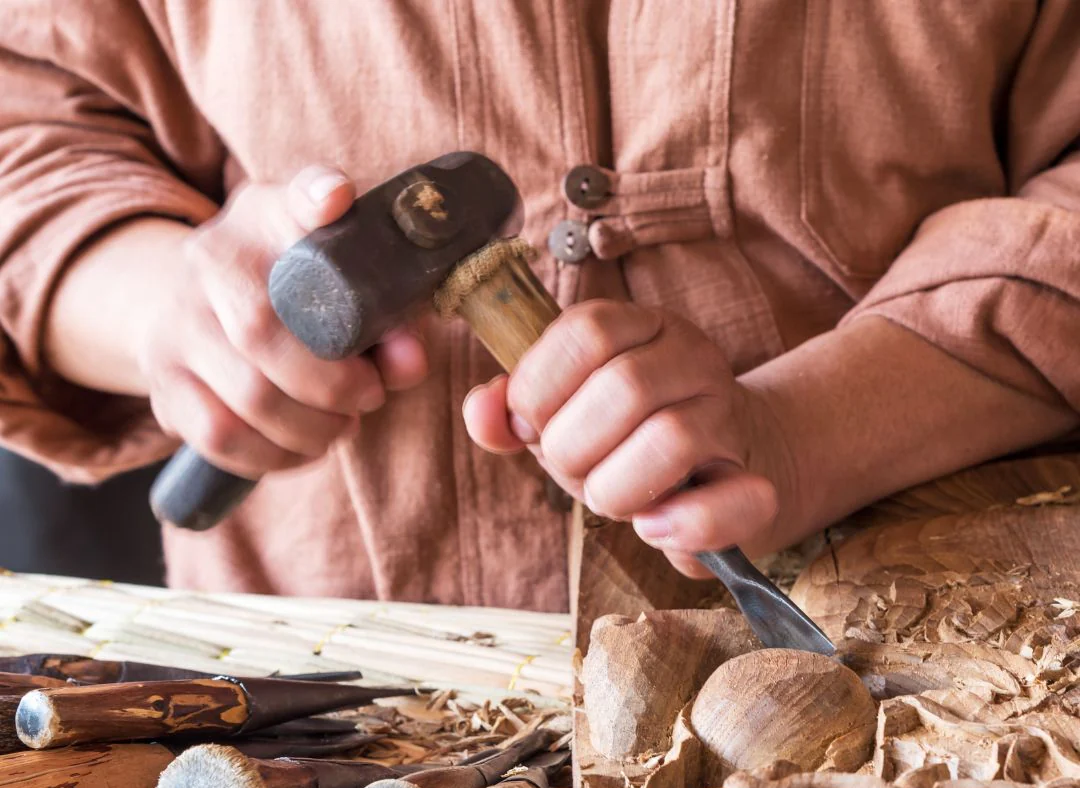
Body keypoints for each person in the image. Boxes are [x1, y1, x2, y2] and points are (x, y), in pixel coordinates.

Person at [0, 2, 1076, 613]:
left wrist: (807, 433)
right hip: (337, 694)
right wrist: (168, 312)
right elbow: (30, 114)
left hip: (934, 683)